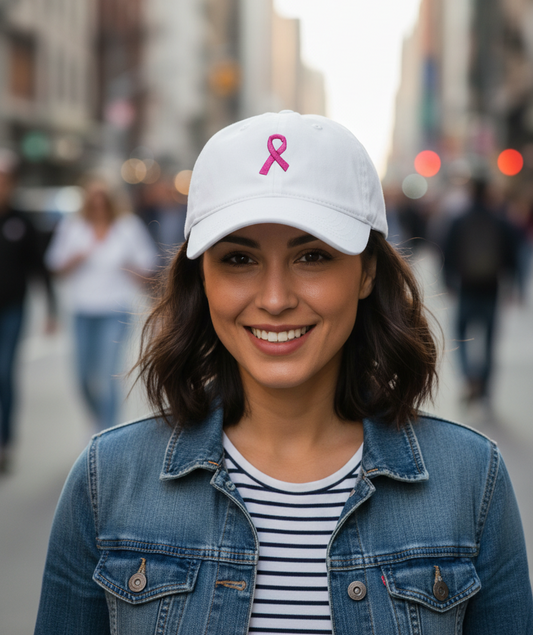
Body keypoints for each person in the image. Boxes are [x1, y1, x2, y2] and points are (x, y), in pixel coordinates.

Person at [35, 113, 532, 634]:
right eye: (239, 259)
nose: (275, 299)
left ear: (366, 272)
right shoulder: (106, 482)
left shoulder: (471, 483)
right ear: (201, 278)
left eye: (312, 256)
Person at [45, 177, 157, 430]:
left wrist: (129, 267)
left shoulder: (127, 226)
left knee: (107, 376)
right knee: (83, 377)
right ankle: (97, 419)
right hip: (82, 310)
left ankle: (106, 431)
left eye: (103, 199)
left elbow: (148, 266)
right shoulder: (73, 226)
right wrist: (76, 258)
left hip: (116, 310)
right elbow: (55, 266)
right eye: (93, 198)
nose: (98, 204)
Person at [0, 150, 57, 473]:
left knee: (4, 372)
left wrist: (51, 309)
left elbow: (39, 268)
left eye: (4, 180)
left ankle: (5, 441)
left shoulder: (22, 222)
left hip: (12, 309)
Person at [443, 179, 518, 404]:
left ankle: (469, 377)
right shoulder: (500, 220)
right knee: (489, 340)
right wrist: (513, 285)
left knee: (460, 334)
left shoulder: (459, 220)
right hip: (491, 287)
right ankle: (484, 387)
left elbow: (447, 251)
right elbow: (512, 253)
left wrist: (447, 281)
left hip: (466, 286)